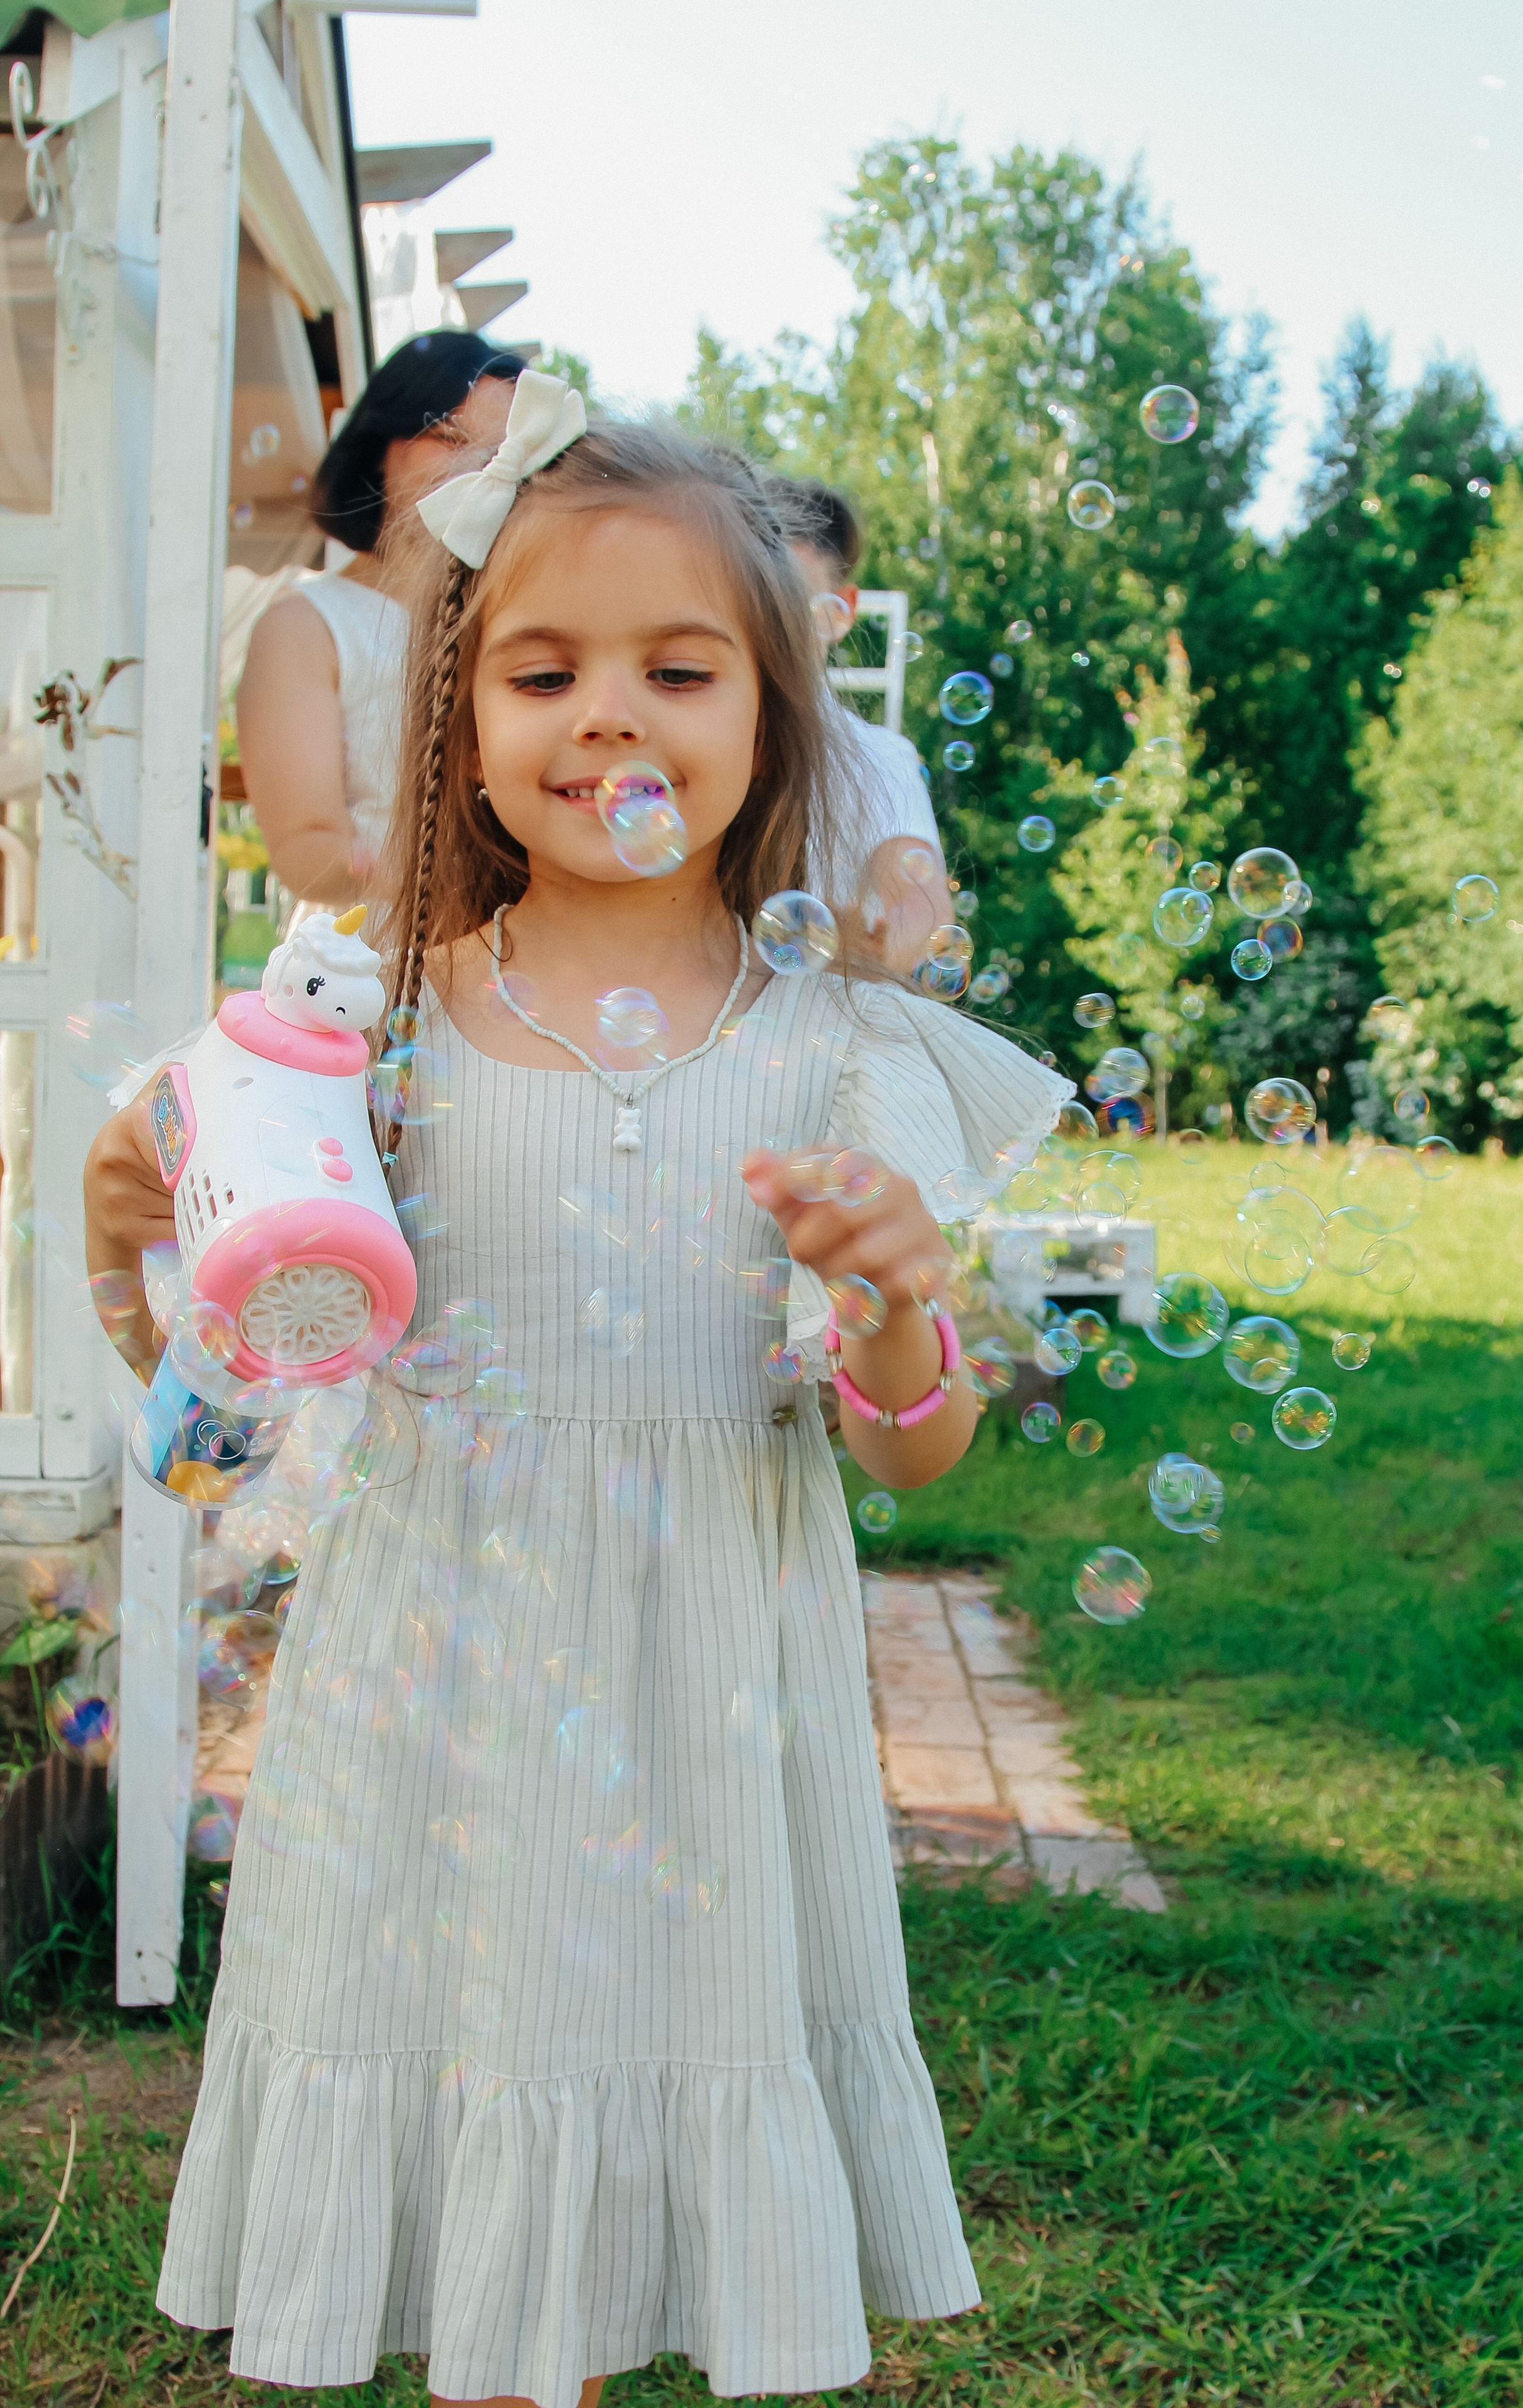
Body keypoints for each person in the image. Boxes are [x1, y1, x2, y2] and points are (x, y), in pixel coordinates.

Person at [85, 377, 1069, 2407]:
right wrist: (155, 1254)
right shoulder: (361, 1027)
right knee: (480, 2147)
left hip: (711, 1689)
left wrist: (897, 1301)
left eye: (676, 666)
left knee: (655, 2112)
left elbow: (919, 1440)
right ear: (459, 713)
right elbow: (216, 1436)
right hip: (430, 1673)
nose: (607, 713)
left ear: (775, 714)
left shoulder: (846, 1050)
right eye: (543, 668)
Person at [236, 330, 524, 907]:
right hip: (370, 965)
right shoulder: (306, 627)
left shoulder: (523, 620)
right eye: (448, 436)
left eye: (503, 453)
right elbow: (306, 848)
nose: (476, 467)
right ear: (379, 447)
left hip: (529, 958)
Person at [785, 477, 953, 970]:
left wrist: (874, 950)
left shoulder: (874, 756)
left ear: (843, 612)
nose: (775, 625)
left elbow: (923, 912)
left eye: (797, 603)